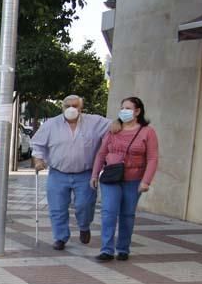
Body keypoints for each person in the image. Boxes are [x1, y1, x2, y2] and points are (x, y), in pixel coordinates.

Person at [31, 95, 112, 250]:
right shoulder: (51, 124)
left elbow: (114, 127)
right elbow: (37, 144)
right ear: (62, 107)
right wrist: (38, 160)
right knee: (57, 207)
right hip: (58, 173)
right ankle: (60, 237)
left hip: (85, 173)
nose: (71, 109)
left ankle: (84, 226)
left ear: (81, 107)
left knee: (85, 205)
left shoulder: (95, 122)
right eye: (67, 106)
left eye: (75, 105)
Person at [91, 96, 159, 261]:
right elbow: (101, 153)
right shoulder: (113, 129)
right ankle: (107, 249)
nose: (124, 111)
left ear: (137, 111)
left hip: (133, 179)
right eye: (123, 108)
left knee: (127, 215)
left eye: (128, 108)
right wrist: (94, 174)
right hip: (111, 177)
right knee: (108, 212)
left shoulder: (147, 132)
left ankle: (123, 249)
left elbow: (152, 158)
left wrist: (146, 181)